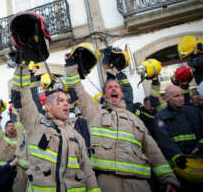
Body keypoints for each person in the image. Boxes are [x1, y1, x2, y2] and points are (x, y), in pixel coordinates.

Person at [65, 60, 180, 192]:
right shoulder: (95, 112)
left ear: (122, 94)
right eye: (109, 87)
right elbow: (76, 89)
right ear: (104, 95)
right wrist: (71, 66)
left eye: (117, 87)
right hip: (108, 182)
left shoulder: (135, 120)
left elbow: (153, 152)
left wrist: (168, 178)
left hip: (140, 184)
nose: (114, 88)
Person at [10, 65, 100, 192]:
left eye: (67, 101)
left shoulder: (76, 135)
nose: (66, 104)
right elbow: (22, 95)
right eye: (60, 100)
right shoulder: (36, 126)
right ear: (47, 106)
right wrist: (23, 66)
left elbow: (87, 171)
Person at [154, 85, 203, 190]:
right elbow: (164, 141)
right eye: (176, 96)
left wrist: (200, 146)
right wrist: (178, 156)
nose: (181, 98)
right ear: (167, 98)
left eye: (182, 95)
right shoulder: (161, 117)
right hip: (179, 166)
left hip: (199, 159)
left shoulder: (194, 111)